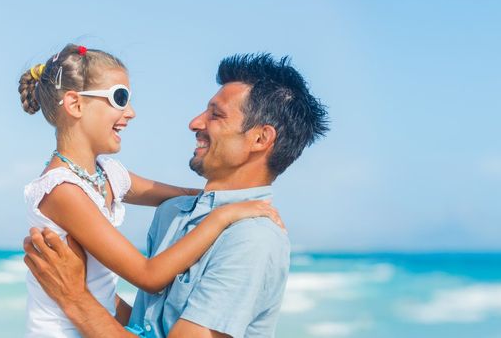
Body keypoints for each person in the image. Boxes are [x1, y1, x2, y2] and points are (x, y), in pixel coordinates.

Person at [24, 53, 329, 338]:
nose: (194, 123)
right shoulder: (173, 213)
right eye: (119, 99)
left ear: (260, 138)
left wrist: (76, 298)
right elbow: (145, 327)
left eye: (216, 115)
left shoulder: (253, 239)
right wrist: (81, 294)